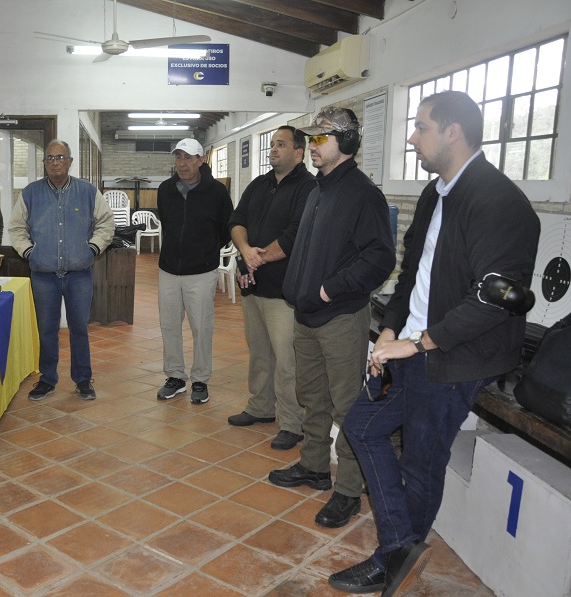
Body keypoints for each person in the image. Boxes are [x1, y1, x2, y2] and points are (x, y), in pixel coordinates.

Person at [329, 91, 540, 597]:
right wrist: (389, 330)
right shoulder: (434, 194)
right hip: (414, 344)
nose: (411, 137)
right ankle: (402, 547)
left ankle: (392, 561)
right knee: (362, 427)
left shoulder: (499, 203)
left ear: (453, 132)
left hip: (454, 358)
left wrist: (418, 344)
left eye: (421, 127)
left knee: (421, 463)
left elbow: (492, 300)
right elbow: (412, 276)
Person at [268, 107, 396, 529]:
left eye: (322, 138)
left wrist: (328, 289)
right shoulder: (318, 189)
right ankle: (314, 466)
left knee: (347, 407)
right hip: (306, 315)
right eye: (313, 138)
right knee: (312, 397)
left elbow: (379, 258)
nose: (314, 146)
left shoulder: (363, 194)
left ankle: (349, 492)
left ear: (349, 142)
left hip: (339, 316)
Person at [226, 126, 313, 450]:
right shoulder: (259, 184)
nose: (273, 149)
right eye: (272, 144)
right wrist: (245, 251)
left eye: (281, 144)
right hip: (253, 286)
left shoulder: (308, 187)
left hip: (283, 291)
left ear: (299, 152)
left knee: (286, 359)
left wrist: (256, 259)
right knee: (259, 352)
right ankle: (261, 407)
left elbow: (296, 234)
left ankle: (292, 422)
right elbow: (237, 220)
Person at [8, 140, 114, 401]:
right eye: (50, 158)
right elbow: (16, 228)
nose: (55, 163)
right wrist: (29, 252)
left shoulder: (87, 191)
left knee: (79, 328)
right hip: (43, 276)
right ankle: (47, 379)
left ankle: (83, 379)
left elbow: (106, 223)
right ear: (45, 163)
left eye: (60, 157)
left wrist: (92, 248)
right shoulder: (31, 193)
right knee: (46, 329)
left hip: (79, 275)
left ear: (70, 161)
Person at [156, 138, 233, 404]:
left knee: (201, 327)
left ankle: (200, 379)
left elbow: (226, 228)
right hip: (169, 270)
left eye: (188, 158)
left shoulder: (217, 192)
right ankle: (175, 377)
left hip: (201, 272)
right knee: (169, 326)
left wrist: (205, 250)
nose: (182, 163)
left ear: (201, 160)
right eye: (178, 157)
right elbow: (167, 222)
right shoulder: (165, 190)